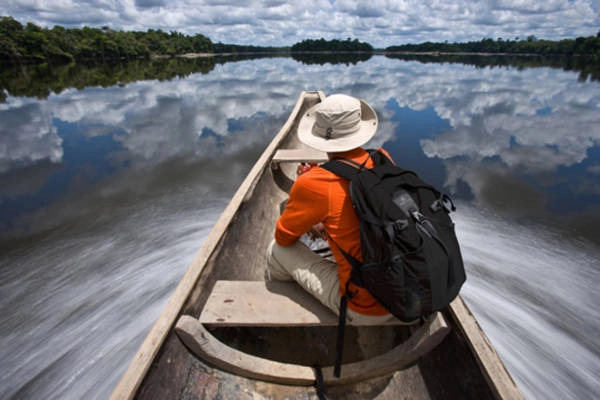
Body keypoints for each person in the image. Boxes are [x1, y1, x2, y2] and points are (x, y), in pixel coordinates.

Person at [266, 93, 397, 325]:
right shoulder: (383, 159)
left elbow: (284, 238)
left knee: (275, 250)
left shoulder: (314, 183)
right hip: (408, 290)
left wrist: (305, 194)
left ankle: (276, 296)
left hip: (365, 308)